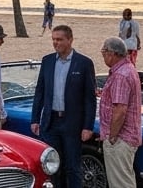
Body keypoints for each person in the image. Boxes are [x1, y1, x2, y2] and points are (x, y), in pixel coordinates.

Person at [30, 25, 97, 188]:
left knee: (72, 167)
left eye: (59, 39)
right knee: (52, 167)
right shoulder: (47, 61)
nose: (55, 43)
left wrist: (88, 126)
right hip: (50, 122)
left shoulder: (84, 63)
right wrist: (35, 119)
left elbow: (90, 98)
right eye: (53, 39)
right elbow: (40, 91)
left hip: (72, 123)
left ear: (70, 40)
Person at [98, 37, 142, 188]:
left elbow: (120, 110)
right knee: (125, 180)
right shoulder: (128, 69)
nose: (103, 55)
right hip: (127, 137)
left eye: (103, 52)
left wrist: (112, 136)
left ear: (112, 53)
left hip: (121, 139)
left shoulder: (120, 75)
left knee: (120, 183)